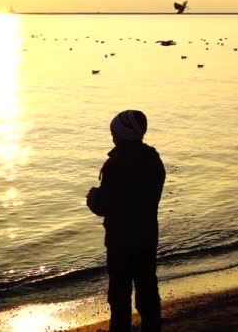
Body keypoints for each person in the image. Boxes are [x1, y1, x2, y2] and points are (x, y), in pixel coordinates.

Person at [87, 110, 166, 332]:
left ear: (122, 135)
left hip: (121, 240)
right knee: (147, 288)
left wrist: (92, 197)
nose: (112, 137)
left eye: (114, 133)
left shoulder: (117, 164)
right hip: (147, 236)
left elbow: (104, 205)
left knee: (120, 296)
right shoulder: (153, 159)